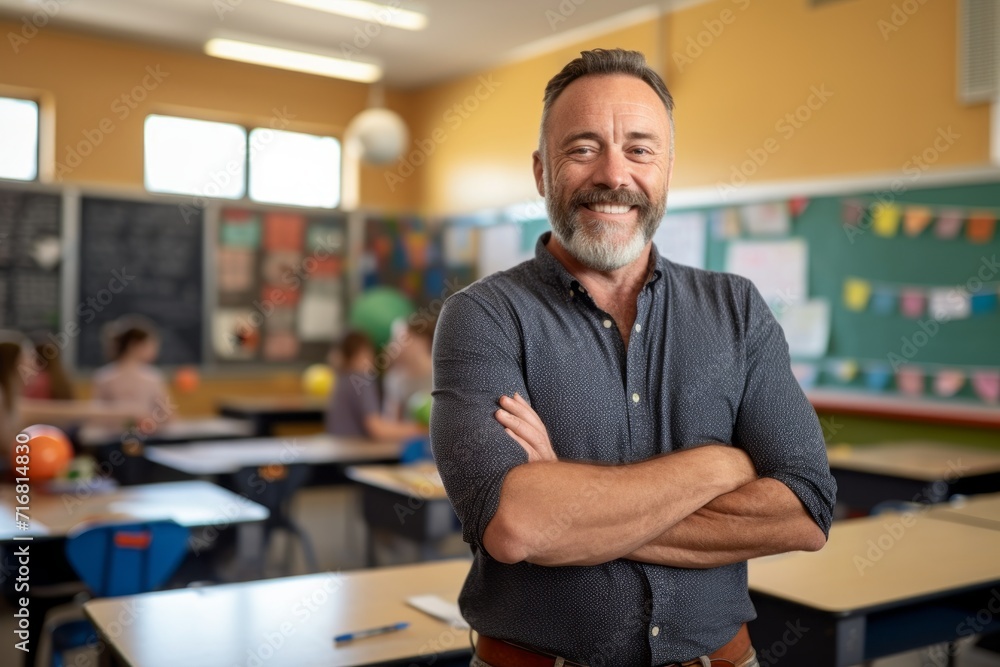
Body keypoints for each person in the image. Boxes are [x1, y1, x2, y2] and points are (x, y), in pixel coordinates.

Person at [431, 49, 836, 667]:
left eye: (640, 150)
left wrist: (571, 509)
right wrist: (720, 465)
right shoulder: (482, 317)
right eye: (583, 148)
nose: (613, 175)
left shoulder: (737, 309)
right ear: (543, 172)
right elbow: (515, 526)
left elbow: (806, 511)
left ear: (667, 169)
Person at [325, 330, 427, 440]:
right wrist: (420, 429)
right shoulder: (361, 379)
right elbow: (377, 429)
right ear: (362, 351)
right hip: (355, 451)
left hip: (339, 446)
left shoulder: (342, 379)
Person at [92, 317, 171, 428]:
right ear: (135, 345)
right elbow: (167, 416)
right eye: (151, 344)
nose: (156, 350)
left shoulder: (103, 376)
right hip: (138, 438)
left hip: (114, 438)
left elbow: (96, 417)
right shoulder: (153, 377)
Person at [382, 319, 435, 422]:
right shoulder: (394, 379)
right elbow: (391, 422)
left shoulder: (443, 374)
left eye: (403, 339)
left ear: (423, 341)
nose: (396, 346)